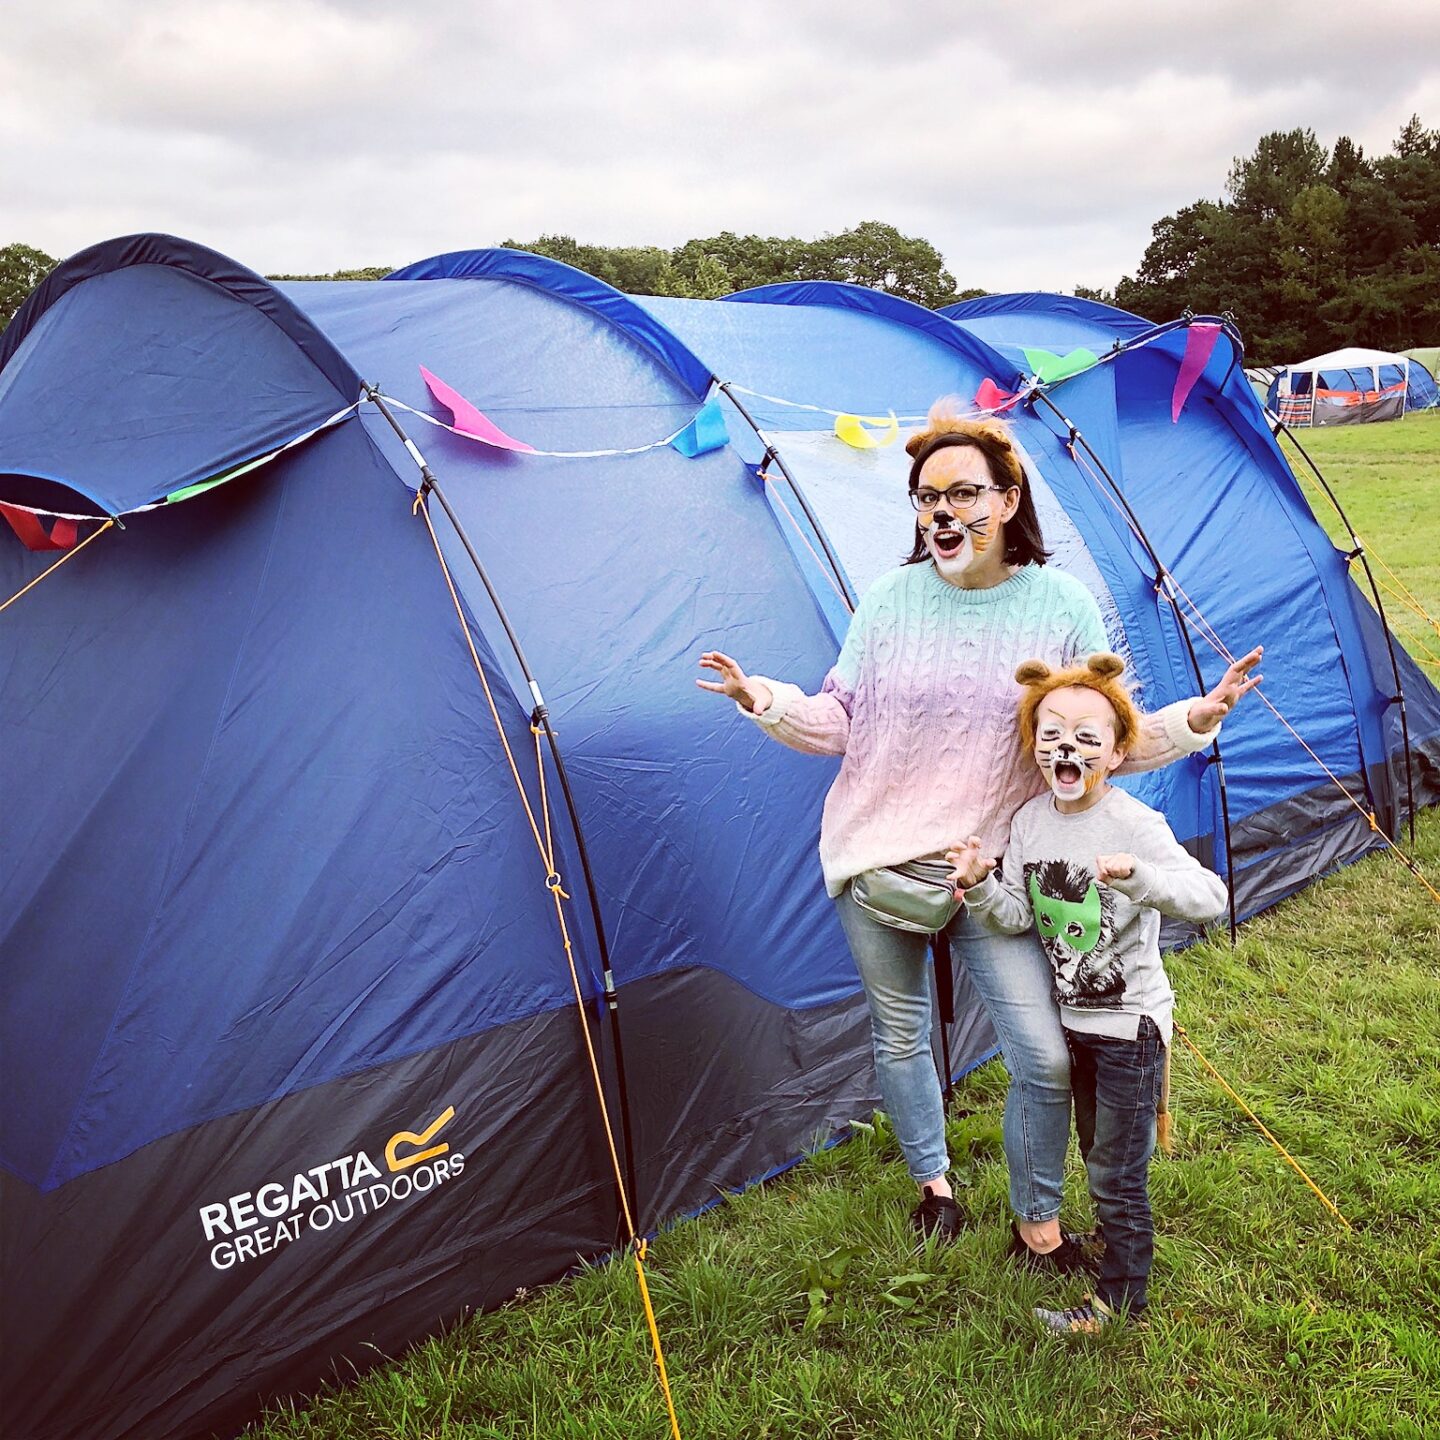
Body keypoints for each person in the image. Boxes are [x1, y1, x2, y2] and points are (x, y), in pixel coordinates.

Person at [696, 409, 1260, 1267]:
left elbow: (1100, 730)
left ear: (1007, 496)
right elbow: (841, 718)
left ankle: (1036, 1222)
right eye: (928, 497)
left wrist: (1193, 719)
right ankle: (935, 1186)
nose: (942, 512)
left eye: (963, 492)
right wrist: (762, 699)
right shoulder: (888, 598)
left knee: (1038, 1055)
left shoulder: (1059, 601)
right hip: (876, 857)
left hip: (994, 869)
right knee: (901, 1032)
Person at [947, 653, 1228, 1330]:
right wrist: (981, 883)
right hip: (1077, 1025)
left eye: (1085, 736)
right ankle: (1115, 1250)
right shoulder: (1030, 823)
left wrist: (1138, 877)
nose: (1065, 748)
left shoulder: (1133, 824)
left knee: (1116, 1172)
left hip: (1130, 1030)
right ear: (1033, 745)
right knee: (1099, 1152)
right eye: (1050, 735)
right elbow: (1017, 913)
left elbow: (1209, 896)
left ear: (1118, 747)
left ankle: (1118, 1302)